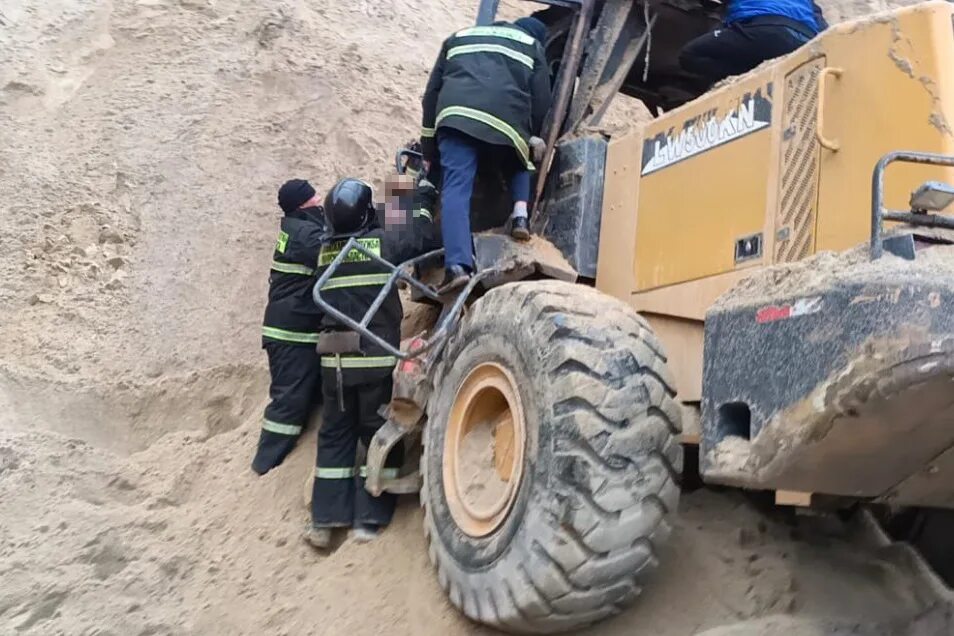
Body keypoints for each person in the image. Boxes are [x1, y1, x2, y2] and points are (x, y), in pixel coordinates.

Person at [304, 177, 440, 549]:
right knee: (378, 434)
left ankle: (324, 520)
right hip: (374, 361)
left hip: (332, 364)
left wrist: (395, 192)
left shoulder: (325, 252)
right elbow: (417, 237)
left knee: (334, 438)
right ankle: (370, 519)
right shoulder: (381, 242)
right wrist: (418, 196)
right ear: (368, 213)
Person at [420, 16, 552, 292]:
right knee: (519, 158)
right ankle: (520, 216)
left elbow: (431, 94)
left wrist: (428, 145)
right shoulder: (532, 45)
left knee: (456, 189)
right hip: (507, 122)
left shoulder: (459, 36)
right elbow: (541, 98)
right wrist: (532, 134)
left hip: (457, 118)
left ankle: (457, 266)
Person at [251, 179, 327, 476]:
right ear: (302, 204)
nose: (319, 199)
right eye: (313, 196)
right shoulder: (303, 235)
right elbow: (333, 255)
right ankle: (264, 467)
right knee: (289, 403)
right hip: (290, 336)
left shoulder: (299, 228)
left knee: (309, 395)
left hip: (298, 332)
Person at [679, 0, 826, 88]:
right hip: (804, 40)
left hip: (762, 29)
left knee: (690, 55)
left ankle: (742, 77)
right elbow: (822, 25)